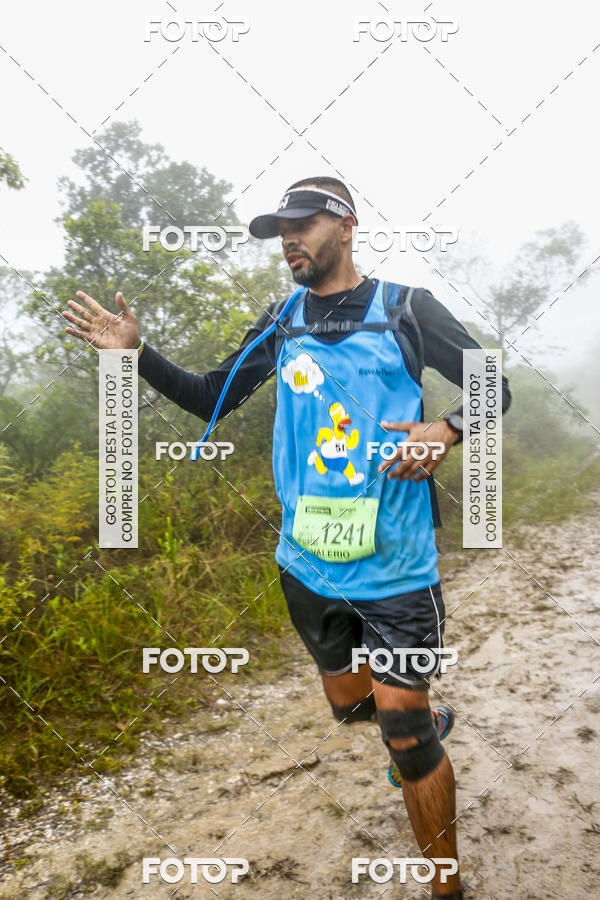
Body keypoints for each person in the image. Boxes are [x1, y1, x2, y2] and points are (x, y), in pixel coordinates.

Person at [62, 176, 511, 898]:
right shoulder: (283, 322)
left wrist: (446, 429)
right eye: (279, 230)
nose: (289, 241)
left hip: (397, 565)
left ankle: (446, 882)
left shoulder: (406, 310)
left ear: (347, 225)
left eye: (301, 224)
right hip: (307, 564)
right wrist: (133, 354)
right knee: (349, 707)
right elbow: (212, 394)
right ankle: (419, 710)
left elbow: (494, 386)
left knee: (405, 734)